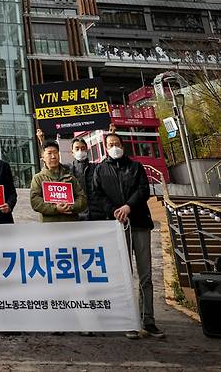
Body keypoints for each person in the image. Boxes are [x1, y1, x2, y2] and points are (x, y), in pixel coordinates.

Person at [93, 132, 165, 339]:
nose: (114, 147)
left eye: (116, 143)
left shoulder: (136, 167)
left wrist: (128, 207)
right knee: (124, 275)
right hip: (117, 226)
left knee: (145, 275)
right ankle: (129, 321)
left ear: (122, 146)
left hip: (140, 223)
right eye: (110, 144)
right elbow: (97, 195)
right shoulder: (100, 169)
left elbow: (143, 190)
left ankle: (148, 320)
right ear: (105, 148)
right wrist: (115, 211)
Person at [29, 141, 87, 222]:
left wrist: (71, 207)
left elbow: (82, 199)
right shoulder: (38, 178)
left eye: (55, 153)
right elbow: (35, 201)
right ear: (43, 158)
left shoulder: (70, 177)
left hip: (71, 224)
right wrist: (55, 208)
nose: (53, 156)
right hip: (50, 226)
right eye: (49, 153)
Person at [70, 137, 103, 221]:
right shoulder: (67, 170)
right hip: (77, 216)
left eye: (83, 148)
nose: (80, 151)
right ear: (72, 152)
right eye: (77, 148)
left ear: (87, 151)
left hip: (98, 215)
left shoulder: (97, 167)